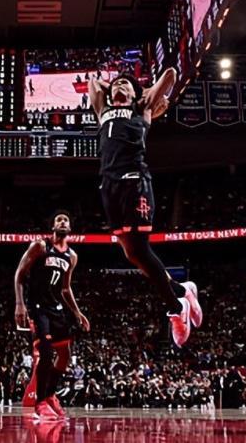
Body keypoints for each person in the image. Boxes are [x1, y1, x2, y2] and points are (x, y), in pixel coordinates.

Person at [87, 67, 201, 347]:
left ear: (136, 93)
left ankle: (176, 306)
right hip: (109, 184)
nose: (119, 86)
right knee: (131, 252)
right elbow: (92, 83)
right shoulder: (103, 111)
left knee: (139, 248)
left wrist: (142, 92)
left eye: (125, 84)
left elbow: (171, 74)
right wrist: (112, 84)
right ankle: (181, 290)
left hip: (134, 180)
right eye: (116, 84)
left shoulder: (142, 109)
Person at [14, 210, 90, 421]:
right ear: (53, 226)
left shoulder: (71, 256)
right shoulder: (40, 246)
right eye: (59, 220)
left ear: (70, 228)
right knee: (46, 353)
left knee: (65, 354)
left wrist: (77, 312)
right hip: (37, 306)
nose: (63, 222)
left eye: (66, 220)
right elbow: (19, 274)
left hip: (56, 307)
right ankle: (40, 403)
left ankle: (50, 395)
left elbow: (65, 288)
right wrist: (19, 304)